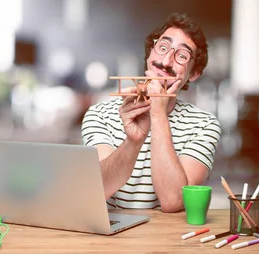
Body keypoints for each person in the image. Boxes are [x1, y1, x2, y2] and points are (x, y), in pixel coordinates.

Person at [81, 13, 221, 212]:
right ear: (149, 54)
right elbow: (99, 189)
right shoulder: (99, 114)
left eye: (181, 56)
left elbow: (173, 202)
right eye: (162, 48)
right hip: (110, 237)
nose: (165, 61)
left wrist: (158, 114)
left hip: (169, 240)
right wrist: (133, 141)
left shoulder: (204, 125)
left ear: (194, 73)